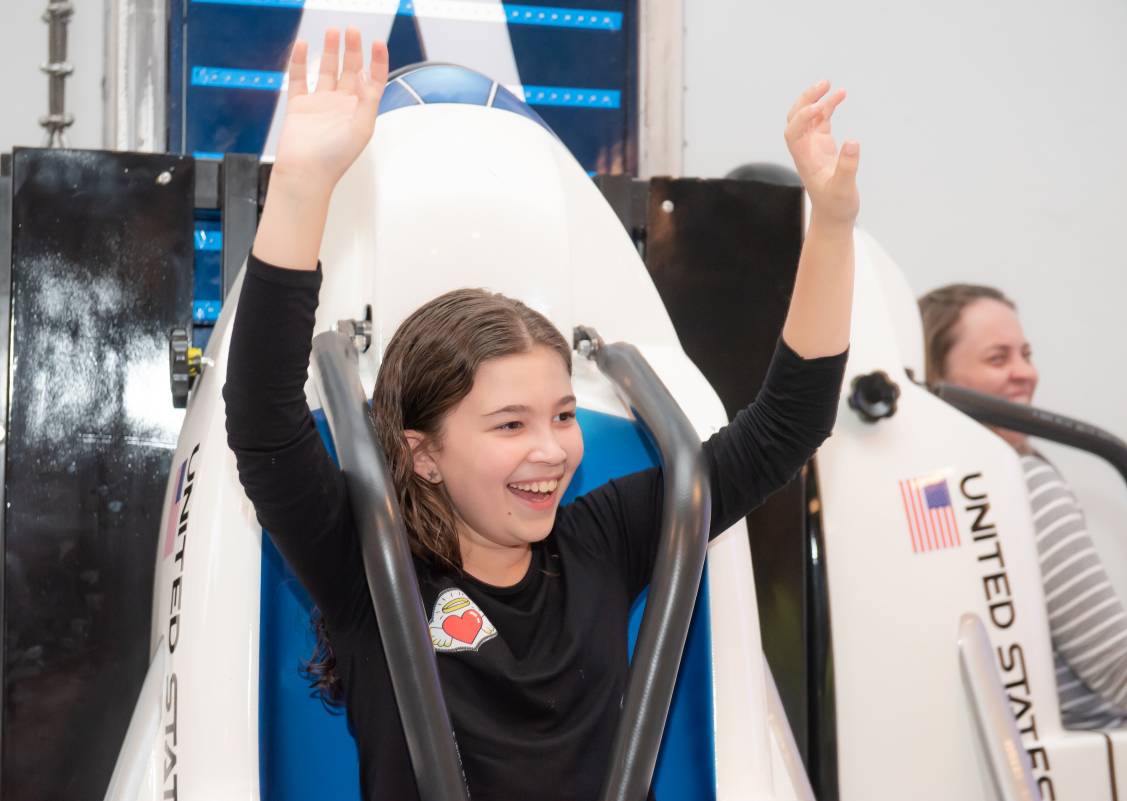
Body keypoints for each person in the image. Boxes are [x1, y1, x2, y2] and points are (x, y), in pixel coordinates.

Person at [225, 26, 858, 800]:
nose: (554, 449)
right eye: (510, 423)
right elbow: (262, 424)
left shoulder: (602, 542)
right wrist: (301, 187)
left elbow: (786, 428)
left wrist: (832, 226)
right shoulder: (370, 569)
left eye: (562, 415)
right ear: (424, 452)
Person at [920, 285, 1127, 730]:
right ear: (938, 378)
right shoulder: (1024, 485)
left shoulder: (929, 499)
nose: (1026, 373)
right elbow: (1117, 668)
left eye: (1026, 355)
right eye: (998, 358)